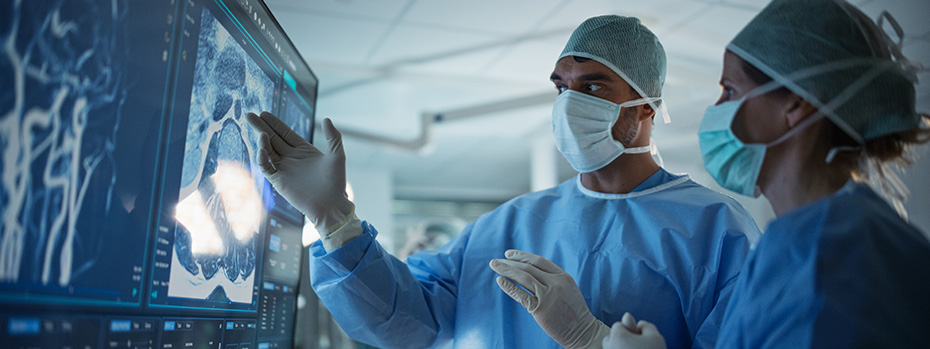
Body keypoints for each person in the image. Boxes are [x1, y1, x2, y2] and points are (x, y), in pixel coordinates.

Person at [247, 15, 761, 348]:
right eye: (561, 86)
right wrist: (334, 221)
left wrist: (591, 338)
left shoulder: (718, 230)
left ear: (646, 105)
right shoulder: (508, 225)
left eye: (593, 85)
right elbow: (408, 320)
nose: (569, 102)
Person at [499, 0, 930, 347]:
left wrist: (590, 340)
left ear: (794, 106)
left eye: (730, 90)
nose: (717, 109)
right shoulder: (800, 242)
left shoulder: (839, 259)